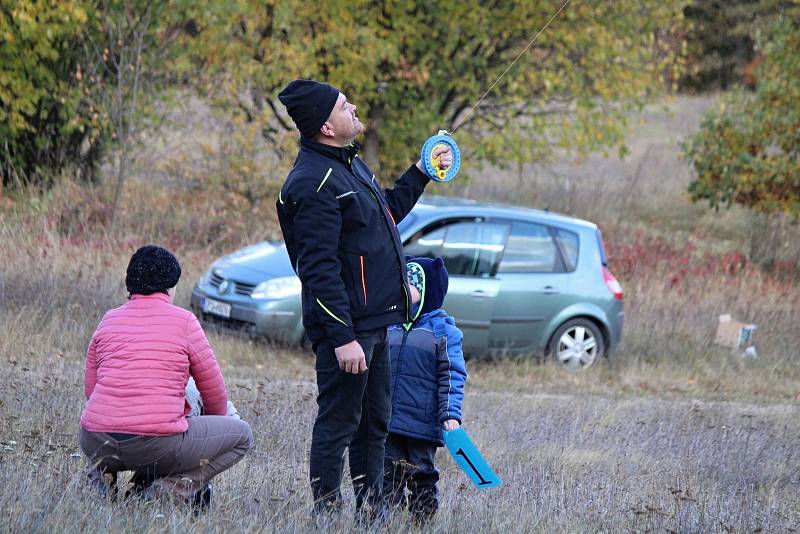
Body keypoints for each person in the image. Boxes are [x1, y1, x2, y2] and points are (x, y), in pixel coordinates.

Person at [275, 79, 452, 517]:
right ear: (325, 127)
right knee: (338, 424)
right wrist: (342, 337)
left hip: (376, 324)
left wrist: (422, 170)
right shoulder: (312, 184)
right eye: (341, 105)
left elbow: (385, 215)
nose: (352, 106)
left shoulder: (350, 165)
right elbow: (318, 271)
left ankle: (372, 514)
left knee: (375, 424)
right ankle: (327, 516)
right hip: (349, 332)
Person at [78, 245, 253, 510]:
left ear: (131, 283)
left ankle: (101, 476)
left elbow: (91, 390)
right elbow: (214, 391)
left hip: (95, 439)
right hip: (155, 444)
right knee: (242, 436)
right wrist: (206, 431)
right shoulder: (185, 321)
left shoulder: (108, 319)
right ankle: (170, 489)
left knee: (101, 426)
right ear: (171, 286)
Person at [383, 256, 466, 524]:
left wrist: (450, 415)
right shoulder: (389, 325)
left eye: (410, 283)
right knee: (387, 472)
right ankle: (387, 522)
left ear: (427, 289)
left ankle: (422, 520)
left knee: (422, 473)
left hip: (422, 423)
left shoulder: (443, 332)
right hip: (389, 419)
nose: (402, 288)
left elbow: (452, 376)